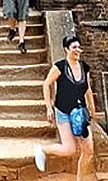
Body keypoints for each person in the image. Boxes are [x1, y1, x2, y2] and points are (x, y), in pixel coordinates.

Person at [35, 35, 96, 179]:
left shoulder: (84, 67)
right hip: (63, 111)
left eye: (78, 47)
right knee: (69, 149)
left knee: (88, 150)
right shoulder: (60, 67)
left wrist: (93, 108)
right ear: (66, 49)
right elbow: (46, 84)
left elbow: (87, 89)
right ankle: (42, 149)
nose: (77, 50)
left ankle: (80, 179)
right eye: (74, 47)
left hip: (80, 112)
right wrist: (49, 107)